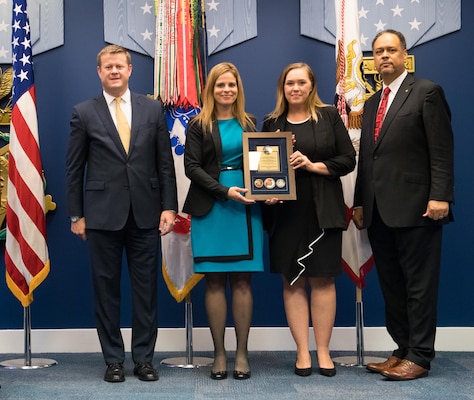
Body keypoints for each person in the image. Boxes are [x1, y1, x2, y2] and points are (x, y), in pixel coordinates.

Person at [66, 45, 177, 383]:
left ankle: (144, 359)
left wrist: (169, 206)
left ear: (130, 70)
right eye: (107, 66)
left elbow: (164, 164)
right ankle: (113, 360)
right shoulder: (84, 112)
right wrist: (76, 215)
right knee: (106, 290)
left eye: (119, 66)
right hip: (101, 216)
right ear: (99, 72)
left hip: (146, 214)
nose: (114, 71)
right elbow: (74, 168)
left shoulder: (152, 109)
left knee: (146, 292)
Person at [353, 30, 454, 381]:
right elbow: (367, 158)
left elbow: (441, 150)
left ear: (404, 54)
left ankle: (421, 356)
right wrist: (359, 203)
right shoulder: (370, 104)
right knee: (392, 286)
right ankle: (401, 350)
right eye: (378, 51)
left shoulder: (426, 92)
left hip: (418, 208)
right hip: (378, 211)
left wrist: (440, 195)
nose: (384, 56)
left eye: (391, 50)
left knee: (418, 286)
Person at [262, 62, 356, 377]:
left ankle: (324, 352)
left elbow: (347, 160)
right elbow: (263, 170)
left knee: (324, 279)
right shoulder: (271, 122)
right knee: (292, 279)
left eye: (302, 82)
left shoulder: (328, 116)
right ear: (283, 87)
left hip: (322, 209)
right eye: (290, 83)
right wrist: (267, 193)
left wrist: (311, 165)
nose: (296, 88)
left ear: (312, 85)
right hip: (285, 213)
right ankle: (303, 352)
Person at [183, 62, 264, 381]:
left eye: (231, 85)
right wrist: (224, 191)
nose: (226, 90)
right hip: (212, 206)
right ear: (211, 89)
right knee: (214, 281)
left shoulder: (252, 122)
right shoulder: (198, 124)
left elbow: (264, 161)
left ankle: (242, 354)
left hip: (246, 208)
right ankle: (219, 354)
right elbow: (192, 167)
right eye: (220, 85)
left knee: (243, 281)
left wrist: (274, 179)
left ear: (238, 88)